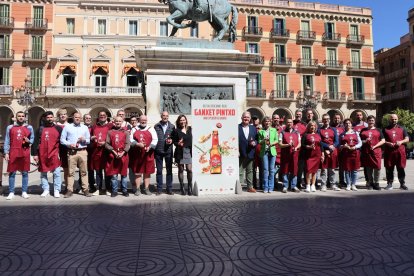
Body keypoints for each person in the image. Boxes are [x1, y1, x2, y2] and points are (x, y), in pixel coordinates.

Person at [4, 111, 34, 200]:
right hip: (13, 152)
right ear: (15, 117)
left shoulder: (29, 127)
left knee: (25, 172)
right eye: (19, 116)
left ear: (25, 118)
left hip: (25, 151)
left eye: (22, 116)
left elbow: (32, 139)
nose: (21, 117)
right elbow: (7, 140)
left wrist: (29, 141)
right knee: (12, 172)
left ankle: (24, 191)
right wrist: (6, 152)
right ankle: (11, 192)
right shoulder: (10, 127)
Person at [60, 112, 91, 198]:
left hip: (82, 151)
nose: (77, 118)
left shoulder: (85, 128)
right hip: (71, 151)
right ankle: (70, 190)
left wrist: (84, 139)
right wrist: (69, 144)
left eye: (79, 117)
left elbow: (88, 140)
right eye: (75, 117)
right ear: (73, 118)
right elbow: (62, 139)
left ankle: (85, 190)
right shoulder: (67, 127)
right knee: (70, 172)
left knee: (84, 172)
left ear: (81, 118)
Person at [32, 111, 63, 198]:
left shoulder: (59, 129)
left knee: (57, 173)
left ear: (53, 118)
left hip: (54, 154)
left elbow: (61, 142)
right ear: (45, 118)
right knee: (43, 173)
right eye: (48, 117)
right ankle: (46, 189)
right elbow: (35, 142)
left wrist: (62, 154)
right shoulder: (39, 129)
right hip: (42, 154)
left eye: (51, 117)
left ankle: (57, 190)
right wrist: (35, 154)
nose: (49, 119)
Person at [130, 115, 158, 195]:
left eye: (145, 120)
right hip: (137, 155)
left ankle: (146, 189)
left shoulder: (151, 129)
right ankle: (138, 189)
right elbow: (131, 139)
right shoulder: (134, 129)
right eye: (142, 120)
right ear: (139, 120)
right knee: (138, 173)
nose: (143, 121)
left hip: (148, 154)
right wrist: (137, 144)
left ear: (147, 120)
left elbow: (155, 139)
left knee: (147, 172)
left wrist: (150, 147)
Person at [105, 116, 131, 197]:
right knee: (114, 175)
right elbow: (107, 144)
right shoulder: (110, 132)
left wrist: (123, 152)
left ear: (122, 122)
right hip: (113, 156)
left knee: (124, 175)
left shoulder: (126, 132)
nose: (118, 123)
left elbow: (128, 144)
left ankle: (124, 190)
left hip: (123, 156)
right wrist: (113, 151)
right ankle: (114, 190)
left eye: (120, 121)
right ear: (114, 122)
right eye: (116, 121)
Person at [382, 114, 409, 190]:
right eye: (392, 119)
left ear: (397, 119)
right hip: (389, 153)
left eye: (395, 119)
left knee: (401, 168)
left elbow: (407, 139)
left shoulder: (402, 128)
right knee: (389, 168)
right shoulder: (385, 129)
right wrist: (388, 143)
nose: (394, 120)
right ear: (389, 120)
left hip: (400, 152)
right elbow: (382, 140)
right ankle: (389, 184)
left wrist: (401, 142)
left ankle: (402, 184)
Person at [360, 115, 385, 190]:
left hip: (376, 151)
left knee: (377, 167)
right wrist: (365, 141)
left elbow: (383, 140)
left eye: (372, 120)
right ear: (367, 121)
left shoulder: (379, 130)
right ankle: (370, 183)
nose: (371, 122)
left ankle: (376, 183)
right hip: (366, 152)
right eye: (369, 120)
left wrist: (375, 146)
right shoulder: (363, 130)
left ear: (374, 121)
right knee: (368, 168)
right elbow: (359, 141)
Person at [91, 111, 113, 195]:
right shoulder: (94, 126)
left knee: (107, 170)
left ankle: (108, 188)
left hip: (107, 151)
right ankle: (98, 189)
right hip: (97, 152)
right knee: (98, 171)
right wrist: (92, 138)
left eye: (104, 115)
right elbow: (90, 137)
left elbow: (114, 137)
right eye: (100, 115)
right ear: (98, 117)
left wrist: (106, 143)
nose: (102, 116)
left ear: (107, 116)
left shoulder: (111, 126)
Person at [153, 111, 175, 195]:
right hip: (158, 151)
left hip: (168, 151)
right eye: (163, 116)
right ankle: (159, 189)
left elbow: (174, 138)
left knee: (169, 171)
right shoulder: (156, 126)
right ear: (161, 116)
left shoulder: (172, 126)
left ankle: (169, 189)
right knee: (159, 171)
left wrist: (172, 141)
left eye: (166, 116)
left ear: (168, 117)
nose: (165, 117)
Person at [171, 115, 193, 195]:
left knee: (189, 170)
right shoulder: (176, 130)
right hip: (180, 152)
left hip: (188, 151)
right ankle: (182, 187)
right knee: (180, 170)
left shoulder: (190, 129)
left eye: (184, 120)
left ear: (186, 121)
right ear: (179, 121)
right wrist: (178, 143)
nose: (182, 121)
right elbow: (173, 141)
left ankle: (190, 187)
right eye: (181, 120)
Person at [318, 114, 340, 191]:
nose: (326, 120)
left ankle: (332, 184)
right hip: (324, 152)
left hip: (333, 151)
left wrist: (330, 148)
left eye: (327, 119)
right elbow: (319, 141)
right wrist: (326, 148)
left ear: (329, 120)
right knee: (324, 169)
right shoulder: (319, 130)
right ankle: (323, 185)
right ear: (322, 120)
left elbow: (337, 141)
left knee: (332, 169)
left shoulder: (333, 129)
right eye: (324, 119)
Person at [339, 119, 362, 191]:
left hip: (355, 152)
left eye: (349, 123)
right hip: (346, 153)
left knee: (354, 170)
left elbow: (360, 143)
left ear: (351, 124)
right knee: (347, 170)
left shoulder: (356, 133)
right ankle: (348, 184)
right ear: (344, 124)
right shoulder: (342, 134)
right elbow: (339, 145)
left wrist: (355, 147)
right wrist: (343, 146)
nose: (348, 124)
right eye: (346, 123)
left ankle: (353, 184)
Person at [279, 118, 301, 193]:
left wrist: (296, 148)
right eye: (288, 122)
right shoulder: (282, 132)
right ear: (286, 123)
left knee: (294, 169)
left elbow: (299, 143)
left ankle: (293, 186)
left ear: (292, 124)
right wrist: (288, 145)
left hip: (294, 154)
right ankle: (285, 186)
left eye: (290, 122)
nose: (289, 124)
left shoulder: (297, 132)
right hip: (285, 154)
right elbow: (280, 144)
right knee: (285, 170)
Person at [257, 116, 278, 193]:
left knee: (272, 170)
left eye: (269, 121)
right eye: (266, 121)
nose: (267, 122)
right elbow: (259, 141)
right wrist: (263, 140)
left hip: (272, 151)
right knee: (265, 170)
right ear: (263, 122)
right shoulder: (260, 131)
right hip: (264, 152)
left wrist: (271, 143)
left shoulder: (274, 130)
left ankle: (271, 187)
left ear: (270, 122)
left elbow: (276, 141)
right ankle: (265, 187)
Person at [238, 111, 258, 193]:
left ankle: (250, 187)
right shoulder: (237, 127)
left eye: (247, 117)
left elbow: (257, 139)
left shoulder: (253, 128)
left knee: (250, 171)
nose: (246, 118)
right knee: (240, 171)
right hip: (240, 152)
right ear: (241, 118)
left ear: (250, 119)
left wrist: (255, 143)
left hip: (250, 152)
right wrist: (237, 150)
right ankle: (239, 186)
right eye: (244, 117)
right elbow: (234, 139)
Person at [302, 121, 323, 193]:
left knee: (314, 171)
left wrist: (322, 154)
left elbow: (321, 145)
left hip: (317, 155)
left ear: (315, 127)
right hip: (309, 155)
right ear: (308, 127)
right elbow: (302, 145)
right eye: (311, 125)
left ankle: (313, 185)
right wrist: (308, 146)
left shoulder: (318, 135)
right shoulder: (305, 135)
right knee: (308, 170)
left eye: (314, 126)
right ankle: (308, 185)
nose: (312, 127)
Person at [293, 110, 307, 188]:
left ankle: (300, 182)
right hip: (293, 148)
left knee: (301, 167)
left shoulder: (304, 124)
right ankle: (293, 182)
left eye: (299, 114)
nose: (298, 115)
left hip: (302, 148)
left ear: (301, 116)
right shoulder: (292, 123)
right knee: (294, 166)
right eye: (297, 114)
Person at [56, 108, 69, 190]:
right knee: (57, 170)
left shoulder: (70, 126)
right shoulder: (55, 126)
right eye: (61, 114)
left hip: (67, 149)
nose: (63, 116)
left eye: (64, 114)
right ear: (59, 116)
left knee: (67, 169)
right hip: (57, 149)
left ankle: (68, 186)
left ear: (67, 115)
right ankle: (57, 187)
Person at [331, 113, 345, 187]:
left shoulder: (343, 128)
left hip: (342, 149)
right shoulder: (330, 128)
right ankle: (330, 181)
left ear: (340, 119)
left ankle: (342, 181)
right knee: (332, 166)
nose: (337, 119)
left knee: (341, 166)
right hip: (333, 149)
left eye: (338, 118)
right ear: (333, 119)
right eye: (335, 118)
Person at [82, 113, 96, 193]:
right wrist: (89, 138)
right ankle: (82, 185)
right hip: (82, 150)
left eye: (89, 118)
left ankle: (91, 185)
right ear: (84, 119)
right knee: (82, 168)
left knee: (91, 169)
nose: (88, 119)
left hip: (91, 151)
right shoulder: (81, 127)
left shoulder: (94, 127)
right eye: (86, 118)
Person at [271, 114, 284, 188]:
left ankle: (280, 183)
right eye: (274, 118)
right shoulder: (269, 128)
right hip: (272, 152)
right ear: (272, 119)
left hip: (281, 152)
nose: (276, 119)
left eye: (277, 118)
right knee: (272, 170)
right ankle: (273, 184)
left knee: (280, 169)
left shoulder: (283, 129)